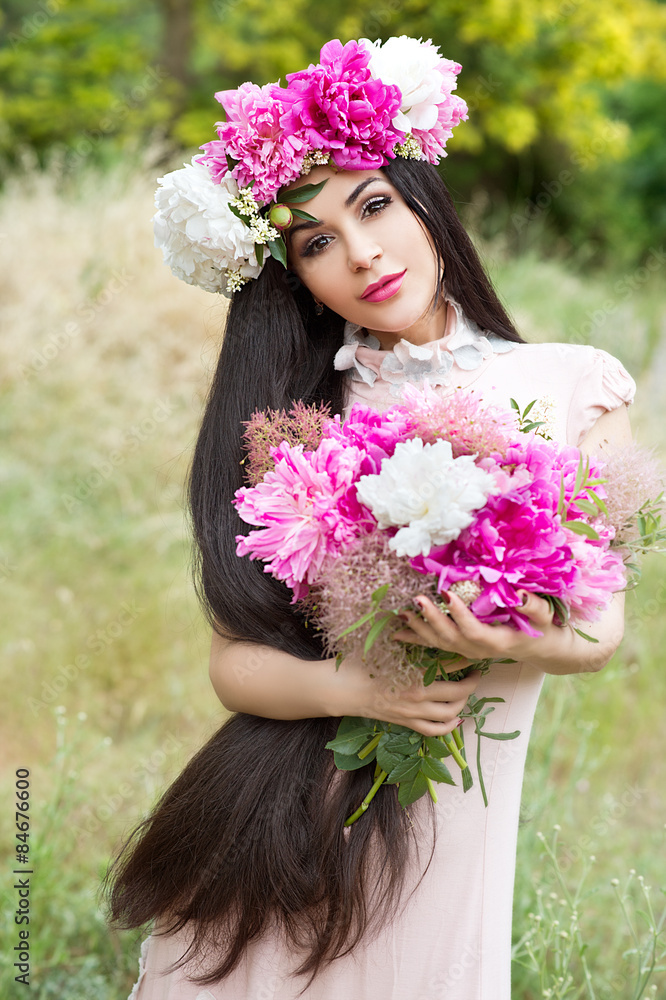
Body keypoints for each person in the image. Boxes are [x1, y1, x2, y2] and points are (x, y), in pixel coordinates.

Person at [108, 36, 636, 1000]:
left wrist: (513, 628)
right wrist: (359, 688)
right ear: (294, 277)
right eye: (314, 242)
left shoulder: (569, 384)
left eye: (374, 205)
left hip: (447, 828)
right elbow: (235, 664)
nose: (362, 254)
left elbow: (601, 627)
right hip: (281, 823)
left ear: (421, 198)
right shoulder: (302, 421)